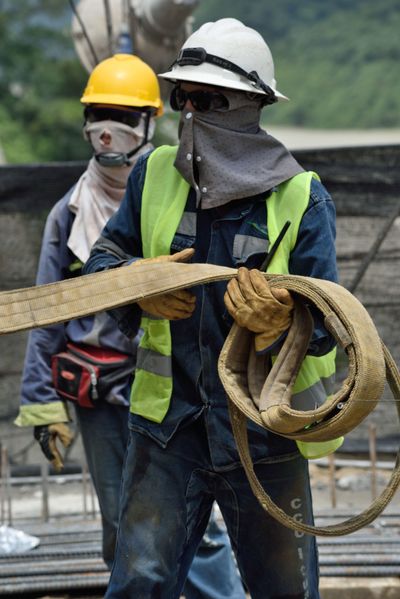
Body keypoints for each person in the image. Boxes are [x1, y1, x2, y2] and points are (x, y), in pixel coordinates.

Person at [83, 18, 338, 598]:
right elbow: (102, 261)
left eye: (208, 99)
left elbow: (328, 326)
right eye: (183, 98)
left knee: (285, 590)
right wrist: (135, 285)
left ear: (250, 106)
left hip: (265, 437)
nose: (190, 112)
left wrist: (280, 329)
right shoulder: (153, 175)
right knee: (139, 585)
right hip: (167, 432)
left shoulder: (301, 197)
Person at [16, 53, 245, 599]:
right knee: (125, 522)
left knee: (201, 525)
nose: (107, 129)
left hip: (173, 390)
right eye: (98, 112)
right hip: (98, 396)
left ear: (150, 121)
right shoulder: (69, 214)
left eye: (121, 113)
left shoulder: (176, 201)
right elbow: (47, 314)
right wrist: (40, 401)